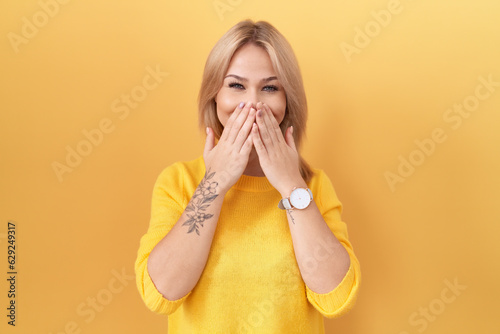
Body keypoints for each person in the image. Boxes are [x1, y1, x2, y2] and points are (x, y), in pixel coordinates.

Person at [135, 19, 360, 333]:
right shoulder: (178, 181)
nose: (253, 103)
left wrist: (290, 183)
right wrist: (215, 181)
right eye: (236, 85)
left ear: (287, 101)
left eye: (270, 87)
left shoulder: (312, 187)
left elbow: (335, 298)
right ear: (214, 96)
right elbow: (161, 295)